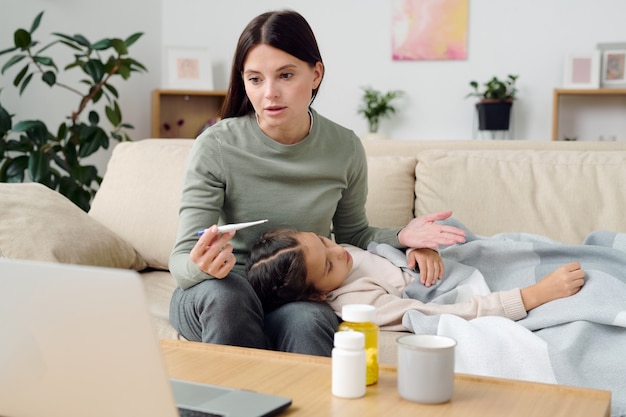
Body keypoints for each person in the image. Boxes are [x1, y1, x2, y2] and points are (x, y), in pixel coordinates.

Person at [168, 10, 467, 355]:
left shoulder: (344, 147)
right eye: (255, 79)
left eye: (285, 75)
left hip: (293, 295)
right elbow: (181, 261)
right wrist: (199, 265)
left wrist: (403, 237)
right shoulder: (216, 146)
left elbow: (353, 235)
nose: (270, 94)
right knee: (230, 299)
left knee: (307, 322)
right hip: (219, 291)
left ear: (316, 74)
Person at [246, 228, 586, 330]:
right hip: (479, 291)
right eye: (329, 266)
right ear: (317, 297)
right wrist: (533, 295)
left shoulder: (340, 251)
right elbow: (439, 315)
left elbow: (379, 248)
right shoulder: (358, 302)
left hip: (464, 261)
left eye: (323, 241)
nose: (339, 253)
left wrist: (417, 249)